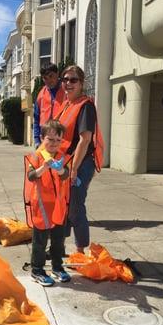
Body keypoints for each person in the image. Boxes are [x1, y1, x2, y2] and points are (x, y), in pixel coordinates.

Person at [54, 65, 103, 254]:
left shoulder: (85, 106)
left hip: (81, 164)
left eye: (73, 80)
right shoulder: (66, 105)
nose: (68, 83)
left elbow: (85, 139)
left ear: (82, 83)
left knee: (75, 206)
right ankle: (59, 246)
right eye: (65, 80)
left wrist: (73, 170)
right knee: (65, 205)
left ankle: (80, 250)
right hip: (66, 163)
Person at [24, 120, 71, 286]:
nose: (54, 143)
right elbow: (31, 176)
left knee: (58, 239)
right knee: (40, 240)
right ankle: (37, 270)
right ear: (42, 138)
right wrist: (43, 167)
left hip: (58, 205)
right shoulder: (36, 156)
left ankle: (57, 267)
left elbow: (66, 174)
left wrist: (60, 169)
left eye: (58, 140)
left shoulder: (63, 156)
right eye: (50, 139)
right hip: (42, 205)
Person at [33, 63, 66, 149]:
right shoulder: (41, 94)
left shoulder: (66, 91)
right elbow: (36, 118)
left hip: (62, 139)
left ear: (57, 74)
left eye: (51, 76)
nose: (48, 80)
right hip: (45, 141)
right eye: (45, 78)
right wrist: (37, 140)